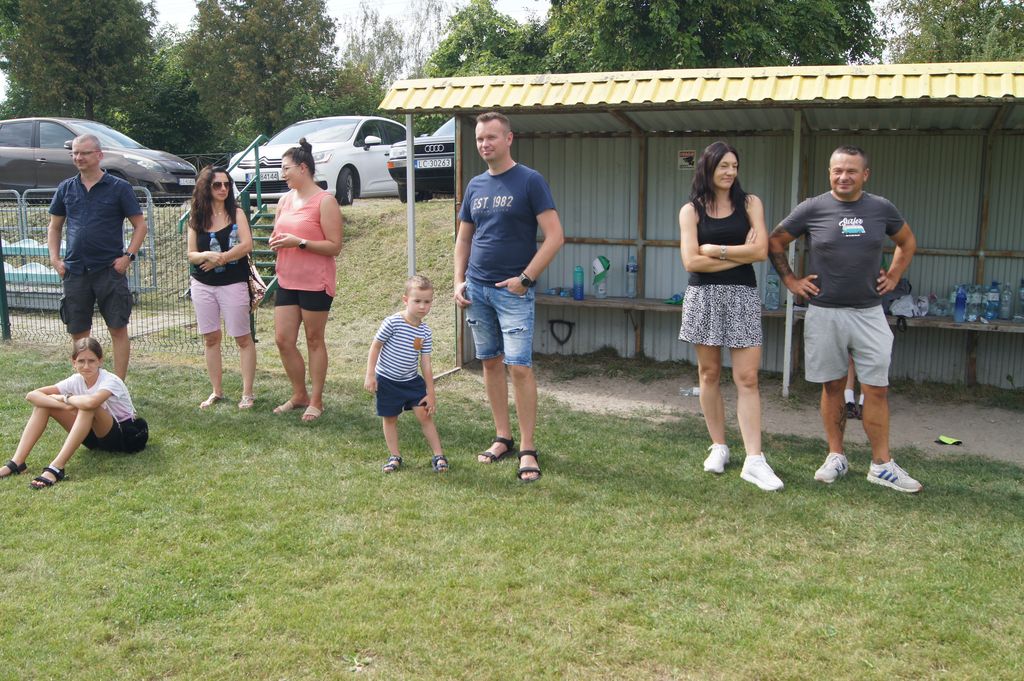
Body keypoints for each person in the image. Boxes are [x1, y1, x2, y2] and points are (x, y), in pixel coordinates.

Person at [768, 145, 921, 492]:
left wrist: (894, 276)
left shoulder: (881, 208)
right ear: (829, 173)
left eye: (851, 171)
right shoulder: (812, 208)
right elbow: (775, 241)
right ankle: (836, 456)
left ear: (865, 175)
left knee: (876, 388)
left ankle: (881, 465)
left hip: (869, 313)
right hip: (825, 313)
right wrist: (791, 281)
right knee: (833, 386)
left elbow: (907, 242)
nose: (843, 177)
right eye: (837, 170)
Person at [454, 111, 564, 482]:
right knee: (489, 362)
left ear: (509, 139)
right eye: (480, 138)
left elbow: (555, 237)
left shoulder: (530, 181)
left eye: (491, 137)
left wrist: (526, 279)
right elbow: (464, 238)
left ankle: (528, 448)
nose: (484, 144)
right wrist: (458, 281)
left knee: (519, 367)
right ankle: (503, 436)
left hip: (513, 292)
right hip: (477, 289)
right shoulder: (475, 186)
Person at [678, 141, 783, 491]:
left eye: (734, 166)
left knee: (748, 378)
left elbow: (762, 251)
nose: (730, 172)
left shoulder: (750, 204)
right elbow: (691, 261)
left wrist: (717, 250)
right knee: (708, 374)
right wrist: (741, 253)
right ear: (708, 168)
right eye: (723, 165)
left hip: (742, 296)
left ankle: (755, 459)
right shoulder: (691, 211)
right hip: (704, 296)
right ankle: (719, 446)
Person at [47, 134, 148, 380]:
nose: (78, 157)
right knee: (78, 333)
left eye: (84, 153)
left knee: (118, 329)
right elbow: (54, 227)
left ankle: (118, 386)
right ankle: (87, 383)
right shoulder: (66, 188)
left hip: (109, 270)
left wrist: (128, 257)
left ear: (99, 155)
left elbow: (140, 225)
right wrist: (55, 260)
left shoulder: (119, 187)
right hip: (75, 272)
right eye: (75, 153)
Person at [0, 338, 148, 489]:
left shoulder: (110, 380)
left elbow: (91, 403)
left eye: (91, 361)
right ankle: (17, 463)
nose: (86, 366)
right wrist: (65, 407)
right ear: (74, 362)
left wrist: (65, 398)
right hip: (94, 437)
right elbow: (32, 395)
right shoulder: (76, 380)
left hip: (122, 437)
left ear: (100, 361)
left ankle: (56, 467)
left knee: (88, 407)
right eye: (81, 361)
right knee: (43, 406)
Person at [268, 138, 343, 422]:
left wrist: (299, 242)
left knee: (314, 339)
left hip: (315, 282)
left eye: (286, 169)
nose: (282, 174)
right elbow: (278, 233)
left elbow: (334, 246)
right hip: (287, 279)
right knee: (283, 340)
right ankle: (299, 394)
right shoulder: (284, 200)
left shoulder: (325, 201)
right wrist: (276, 241)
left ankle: (316, 400)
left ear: (303, 168)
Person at [187, 166, 257, 409]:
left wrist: (222, 258)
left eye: (227, 184)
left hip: (233, 282)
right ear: (205, 187)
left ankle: (247, 393)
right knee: (210, 338)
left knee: (243, 338)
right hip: (202, 284)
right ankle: (216, 391)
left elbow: (246, 245)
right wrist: (206, 255)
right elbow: (191, 254)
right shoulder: (196, 217)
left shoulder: (236, 213)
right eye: (217, 185)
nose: (223, 189)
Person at [364, 275, 446, 473]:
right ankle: (394, 456)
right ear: (405, 300)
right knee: (390, 418)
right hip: (387, 381)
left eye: (427, 302)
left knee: (425, 416)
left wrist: (431, 392)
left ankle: (439, 456)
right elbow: (375, 347)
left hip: (412, 382)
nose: (422, 306)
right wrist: (370, 375)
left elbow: (425, 363)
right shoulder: (392, 323)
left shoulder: (425, 332)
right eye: (417, 301)